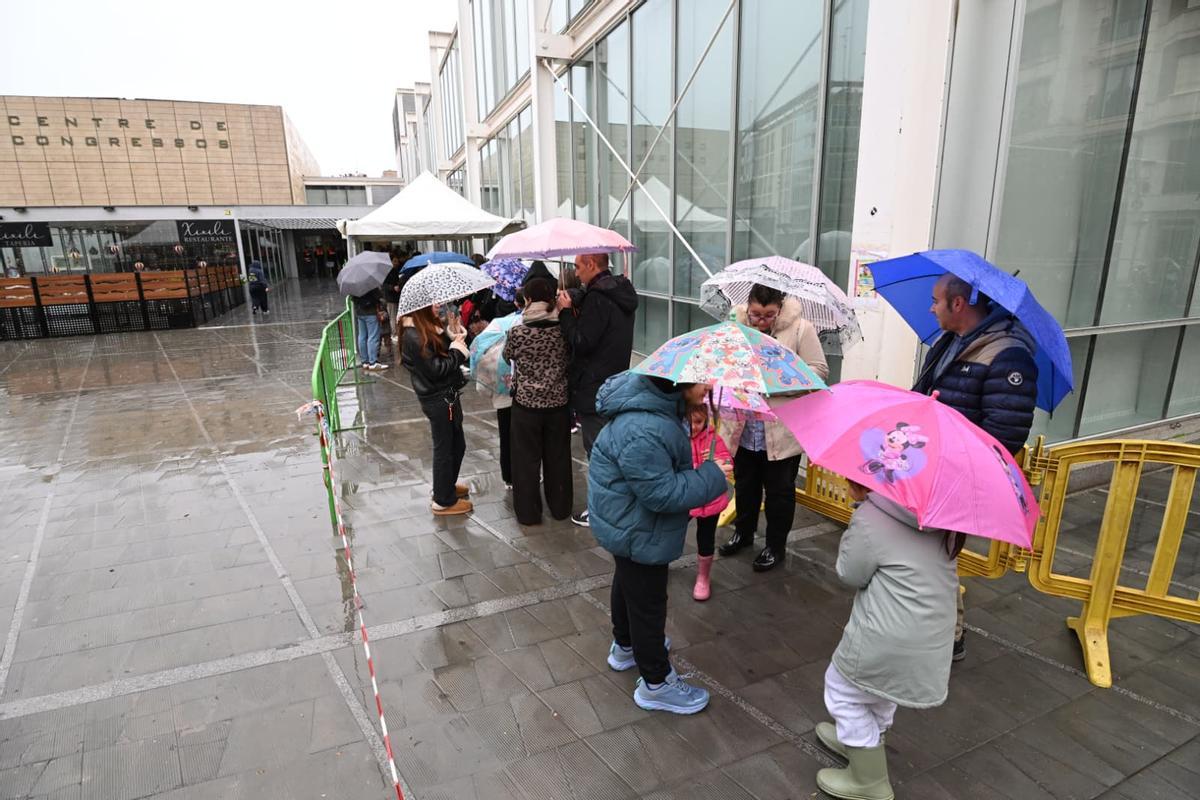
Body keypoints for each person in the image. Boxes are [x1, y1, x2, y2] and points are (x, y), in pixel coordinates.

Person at [588, 371, 732, 714]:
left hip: (627, 523)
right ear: (680, 386)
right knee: (648, 603)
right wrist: (712, 475)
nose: (709, 387)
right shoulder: (646, 428)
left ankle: (625, 647)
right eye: (703, 381)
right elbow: (661, 493)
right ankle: (656, 682)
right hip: (638, 527)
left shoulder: (656, 414)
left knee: (628, 584)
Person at [912, 273, 1037, 662]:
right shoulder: (950, 342)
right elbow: (927, 393)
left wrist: (957, 456)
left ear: (958, 304)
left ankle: (950, 635)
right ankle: (931, 625)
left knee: (942, 555)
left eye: (936, 300)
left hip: (961, 473)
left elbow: (1005, 431)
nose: (931, 308)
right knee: (925, 551)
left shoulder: (1008, 355)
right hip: (930, 463)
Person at [813, 480, 959, 800]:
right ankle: (865, 741)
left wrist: (857, 526)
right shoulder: (936, 515)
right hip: (930, 634)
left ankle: (869, 779)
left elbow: (850, 573)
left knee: (841, 689)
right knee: (880, 689)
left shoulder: (873, 516)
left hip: (888, 633)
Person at [719, 284, 829, 571]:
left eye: (769, 315)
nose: (761, 321)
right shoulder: (736, 326)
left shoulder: (800, 329)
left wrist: (778, 377)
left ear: (780, 308)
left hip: (781, 429)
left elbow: (818, 371)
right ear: (748, 307)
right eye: (756, 314)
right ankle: (743, 533)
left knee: (780, 491)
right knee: (744, 485)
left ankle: (775, 546)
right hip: (744, 425)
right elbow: (721, 362)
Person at [557, 252, 639, 527]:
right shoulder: (620, 292)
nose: (577, 273)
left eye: (579, 267)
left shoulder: (598, 299)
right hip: (616, 383)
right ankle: (621, 504)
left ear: (592, 265)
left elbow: (582, 340)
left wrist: (566, 314)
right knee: (614, 449)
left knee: (599, 452)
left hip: (594, 389)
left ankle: (602, 511)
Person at [503, 278, 573, 525]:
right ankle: (561, 507)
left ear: (528, 300)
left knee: (525, 462)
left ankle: (529, 513)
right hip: (558, 405)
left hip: (526, 406)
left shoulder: (517, 332)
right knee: (558, 458)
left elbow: (507, 355)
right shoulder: (563, 330)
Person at [402, 305, 472, 516]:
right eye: (432, 303)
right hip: (438, 399)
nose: (438, 305)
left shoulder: (427, 327)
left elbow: (440, 352)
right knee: (446, 447)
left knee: (456, 444)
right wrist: (457, 352)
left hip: (446, 395)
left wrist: (453, 334)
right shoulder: (414, 335)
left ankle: (446, 486)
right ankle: (443, 500)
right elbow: (436, 369)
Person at [686, 406, 732, 601]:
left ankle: (703, 576)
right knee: (671, 530)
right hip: (685, 498)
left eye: (698, 422)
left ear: (706, 420)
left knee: (706, 538)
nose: (694, 428)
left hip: (710, 499)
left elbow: (728, 465)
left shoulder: (714, 440)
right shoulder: (678, 440)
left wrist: (715, 463)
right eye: (689, 423)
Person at [353, 288, 388, 371]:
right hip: (370, 313)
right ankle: (373, 362)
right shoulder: (370, 285)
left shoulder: (354, 285)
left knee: (362, 336)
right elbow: (378, 296)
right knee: (373, 337)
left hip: (360, 313)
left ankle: (365, 361)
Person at [382, 249, 406, 346]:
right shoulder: (387, 272)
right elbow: (384, 285)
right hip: (391, 298)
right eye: (394, 261)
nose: (397, 263)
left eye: (397, 261)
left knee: (396, 316)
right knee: (393, 316)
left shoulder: (394, 271)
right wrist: (393, 287)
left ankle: (396, 332)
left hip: (395, 297)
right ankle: (394, 333)